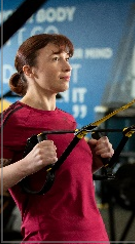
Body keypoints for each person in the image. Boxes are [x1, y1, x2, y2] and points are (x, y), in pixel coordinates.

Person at [0, 33, 114, 241]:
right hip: (51, 236)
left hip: (94, 234)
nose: (67, 67)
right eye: (55, 58)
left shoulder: (66, 120)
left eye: (67, 58)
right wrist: (27, 164)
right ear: (30, 71)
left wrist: (94, 161)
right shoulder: (13, 120)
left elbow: (64, 180)